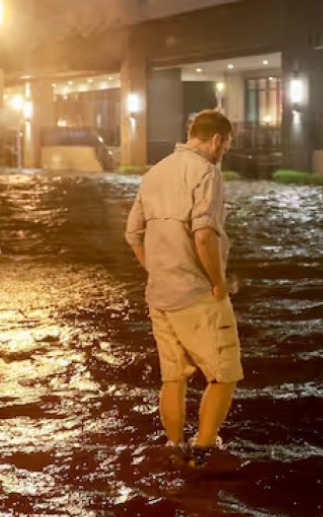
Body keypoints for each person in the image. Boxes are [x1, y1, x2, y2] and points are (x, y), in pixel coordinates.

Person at [125, 109, 242, 468]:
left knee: (173, 378)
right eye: (226, 146)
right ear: (217, 140)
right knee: (224, 374)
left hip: (160, 294)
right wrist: (219, 284)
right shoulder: (207, 173)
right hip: (196, 295)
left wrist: (157, 269)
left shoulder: (154, 172)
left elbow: (133, 235)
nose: (224, 153)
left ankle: (175, 446)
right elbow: (204, 235)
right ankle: (203, 452)